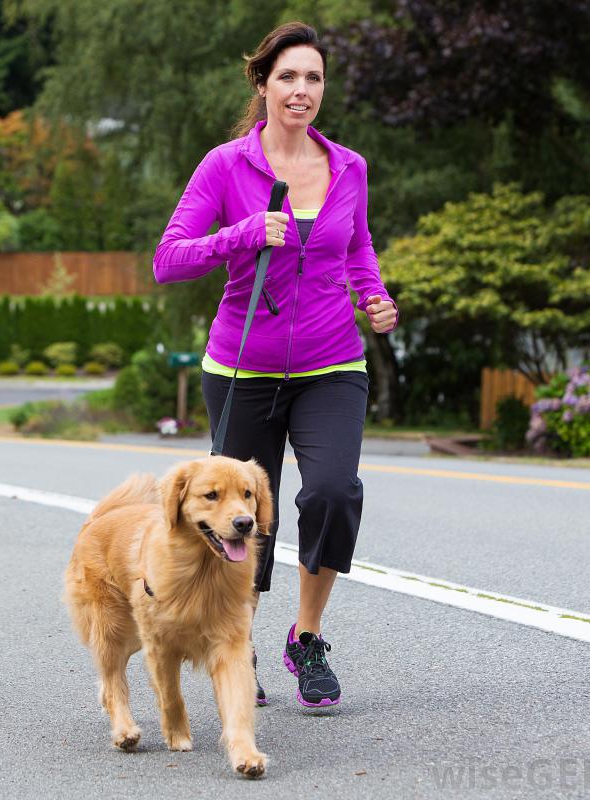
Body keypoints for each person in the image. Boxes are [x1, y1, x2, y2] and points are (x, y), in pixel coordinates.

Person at [152, 22, 398, 709]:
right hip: (240, 370)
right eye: (287, 77)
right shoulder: (225, 166)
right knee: (241, 517)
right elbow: (167, 259)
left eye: (312, 78)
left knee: (331, 493)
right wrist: (241, 234)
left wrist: (374, 300)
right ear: (262, 85)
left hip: (331, 364)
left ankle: (307, 638)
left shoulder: (348, 166)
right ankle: (239, 640)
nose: (300, 90)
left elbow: (357, 253)